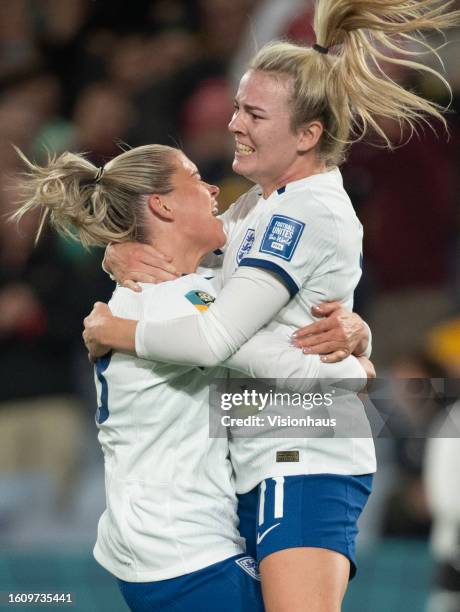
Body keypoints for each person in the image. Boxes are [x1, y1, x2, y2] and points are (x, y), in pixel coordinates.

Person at [83, 2, 460, 610]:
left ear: (308, 134)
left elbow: (212, 339)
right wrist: (118, 255)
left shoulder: (303, 211)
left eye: (254, 113)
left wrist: (115, 327)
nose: (235, 123)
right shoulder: (259, 205)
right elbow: (185, 253)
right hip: (260, 454)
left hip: (304, 453)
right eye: (237, 106)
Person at [12, 143, 372, 612]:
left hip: (157, 541)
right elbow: (286, 363)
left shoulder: (160, 292)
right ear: (162, 205)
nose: (213, 188)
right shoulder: (180, 302)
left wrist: (355, 328)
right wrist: (359, 365)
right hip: (181, 548)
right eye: (196, 178)